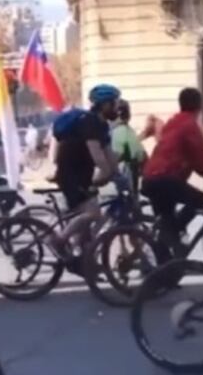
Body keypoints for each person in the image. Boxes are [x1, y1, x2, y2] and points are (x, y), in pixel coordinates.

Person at [142, 88, 203, 266]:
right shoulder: (189, 125)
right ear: (200, 105)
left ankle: (164, 273)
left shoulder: (174, 122)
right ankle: (171, 235)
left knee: (167, 222)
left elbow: (195, 160)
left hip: (152, 178)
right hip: (164, 178)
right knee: (199, 199)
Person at [49, 84, 122, 275]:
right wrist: (106, 174)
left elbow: (109, 154)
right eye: (114, 103)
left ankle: (83, 262)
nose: (117, 108)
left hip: (82, 174)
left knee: (88, 225)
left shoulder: (101, 125)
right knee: (92, 214)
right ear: (104, 104)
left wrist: (118, 174)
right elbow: (98, 156)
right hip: (70, 174)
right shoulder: (89, 123)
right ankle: (58, 240)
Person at [110, 99, 146, 192]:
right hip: (127, 174)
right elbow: (139, 154)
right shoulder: (126, 130)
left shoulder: (118, 130)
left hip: (123, 174)